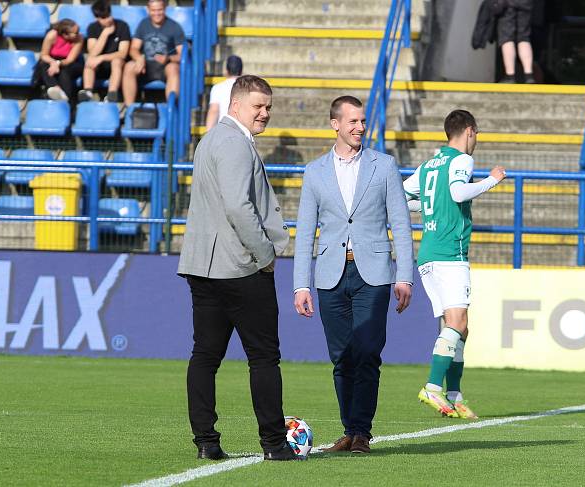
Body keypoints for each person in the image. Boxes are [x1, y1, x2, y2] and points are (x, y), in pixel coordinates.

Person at [177, 75, 297, 462]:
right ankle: (275, 444)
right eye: (257, 106)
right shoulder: (234, 144)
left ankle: (206, 442)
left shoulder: (210, 139)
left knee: (205, 356)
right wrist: (264, 254)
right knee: (263, 358)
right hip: (240, 267)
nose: (264, 113)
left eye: (268, 106)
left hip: (203, 266)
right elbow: (238, 208)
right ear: (235, 105)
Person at [293, 95, 414, 454]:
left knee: (367, 351)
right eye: (353, 122)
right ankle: (349, 430)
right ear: (335, 124)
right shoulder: (314, 171)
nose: (360, 127)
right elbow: (305, 230)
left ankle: (361, 431)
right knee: (341, 356)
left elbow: (401, 225)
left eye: (362, 121)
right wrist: (301, 284)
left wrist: (404, 276)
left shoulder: (385, 166)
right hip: (330, 273)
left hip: (374, 273)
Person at [403, 110, 506, 419]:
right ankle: (433, 387)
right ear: (470, 131)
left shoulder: (429, 165)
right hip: (450, 253)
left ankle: (455, 395)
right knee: (457, 324)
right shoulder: (461, 160)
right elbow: (458, 191)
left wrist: (428, 206)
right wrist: (492, 180)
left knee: (460, 327)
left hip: (428, 254)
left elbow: (401, 195)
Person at [122, 0, 185, 106]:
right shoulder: (143, 24)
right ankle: (130, 109)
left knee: (173, 68)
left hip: (165, 66)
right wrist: (138, 58)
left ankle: (171, 108)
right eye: (153, 10)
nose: (156, 13)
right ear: (148, 10)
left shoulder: (175, 27)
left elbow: (182, 55)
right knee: (129, 66)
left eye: (159, 10)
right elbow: (133, 48)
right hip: (145, 66)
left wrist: (168, 58)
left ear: (165, 9)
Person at [78, 0, 130, 103]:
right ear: (97, 18)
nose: (108, 20)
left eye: (109, 15)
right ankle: (88, 92)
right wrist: (105, 34)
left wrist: (102, 58)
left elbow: (123, 53)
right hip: (99, 66)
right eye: (104, 18)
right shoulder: (92, 28)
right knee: (90, 61)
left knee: (117, 61)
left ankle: (112, 94)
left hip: (117, 65)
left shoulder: (122, 26)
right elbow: (92, 53)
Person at [34, 19, 84, 102]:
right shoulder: (52, 35)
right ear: (65, 34)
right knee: (43, 64)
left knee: (64, 71)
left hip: (70, 63)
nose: (78, 34)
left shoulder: (79, 38)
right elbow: (44, 55)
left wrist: (58, 63)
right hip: (51, 59)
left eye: (78, 31)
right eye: (75, 32)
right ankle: (56, 88)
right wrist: (53, 62)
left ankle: (65, 96)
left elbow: (70, 59)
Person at [497, 0, 534, 83]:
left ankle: (510, 76)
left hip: (508, 3)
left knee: (507, 38)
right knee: (524, 37)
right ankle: (529, 76)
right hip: (526, 3)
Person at [205, 55, 243, 131]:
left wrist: (208, 134)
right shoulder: (247, 88)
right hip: (242, 132)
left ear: (226, 71)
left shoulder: (217, 88)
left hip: (223, 131)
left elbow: (214, 111)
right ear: (241, 71)